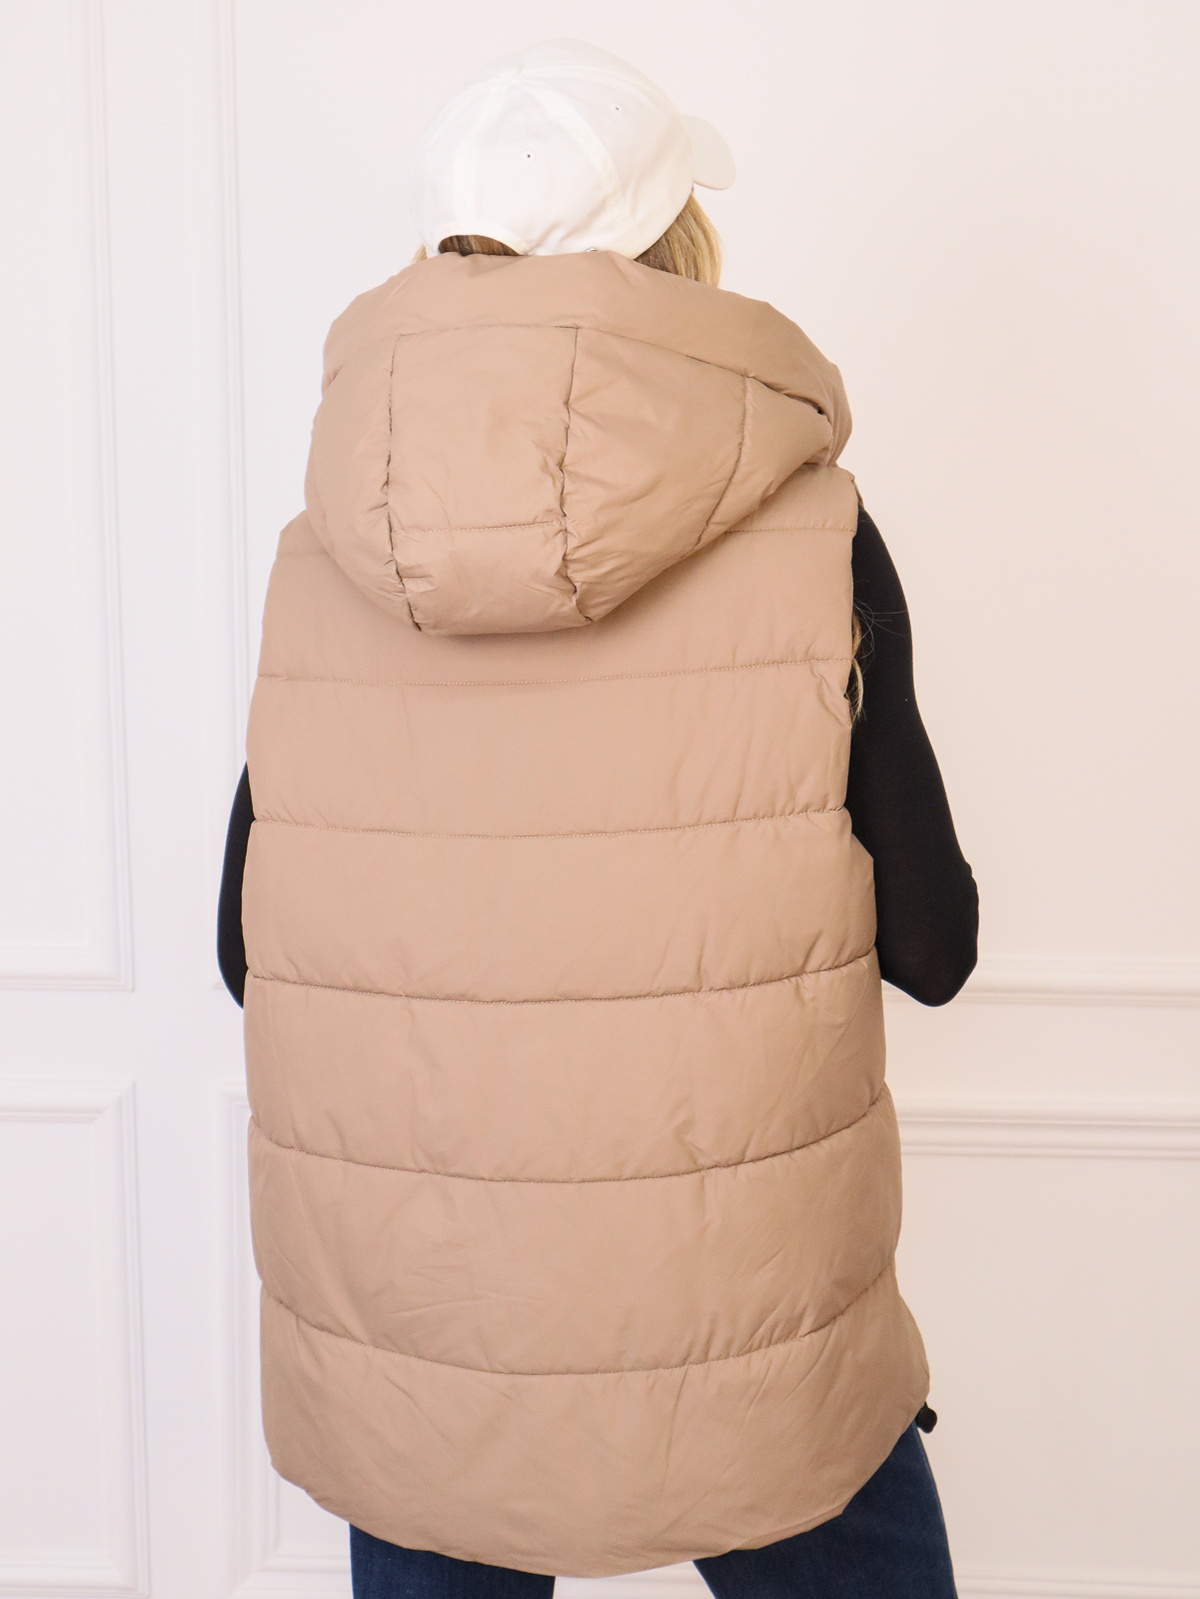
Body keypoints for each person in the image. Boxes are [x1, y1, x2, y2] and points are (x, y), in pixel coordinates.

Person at [218, 39, 977, 1599]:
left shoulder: (330, 554)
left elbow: (245, 953)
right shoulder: (816, 536)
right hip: (740, 1316)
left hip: (425, 1328)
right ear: (675, 246)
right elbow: (934, 946)